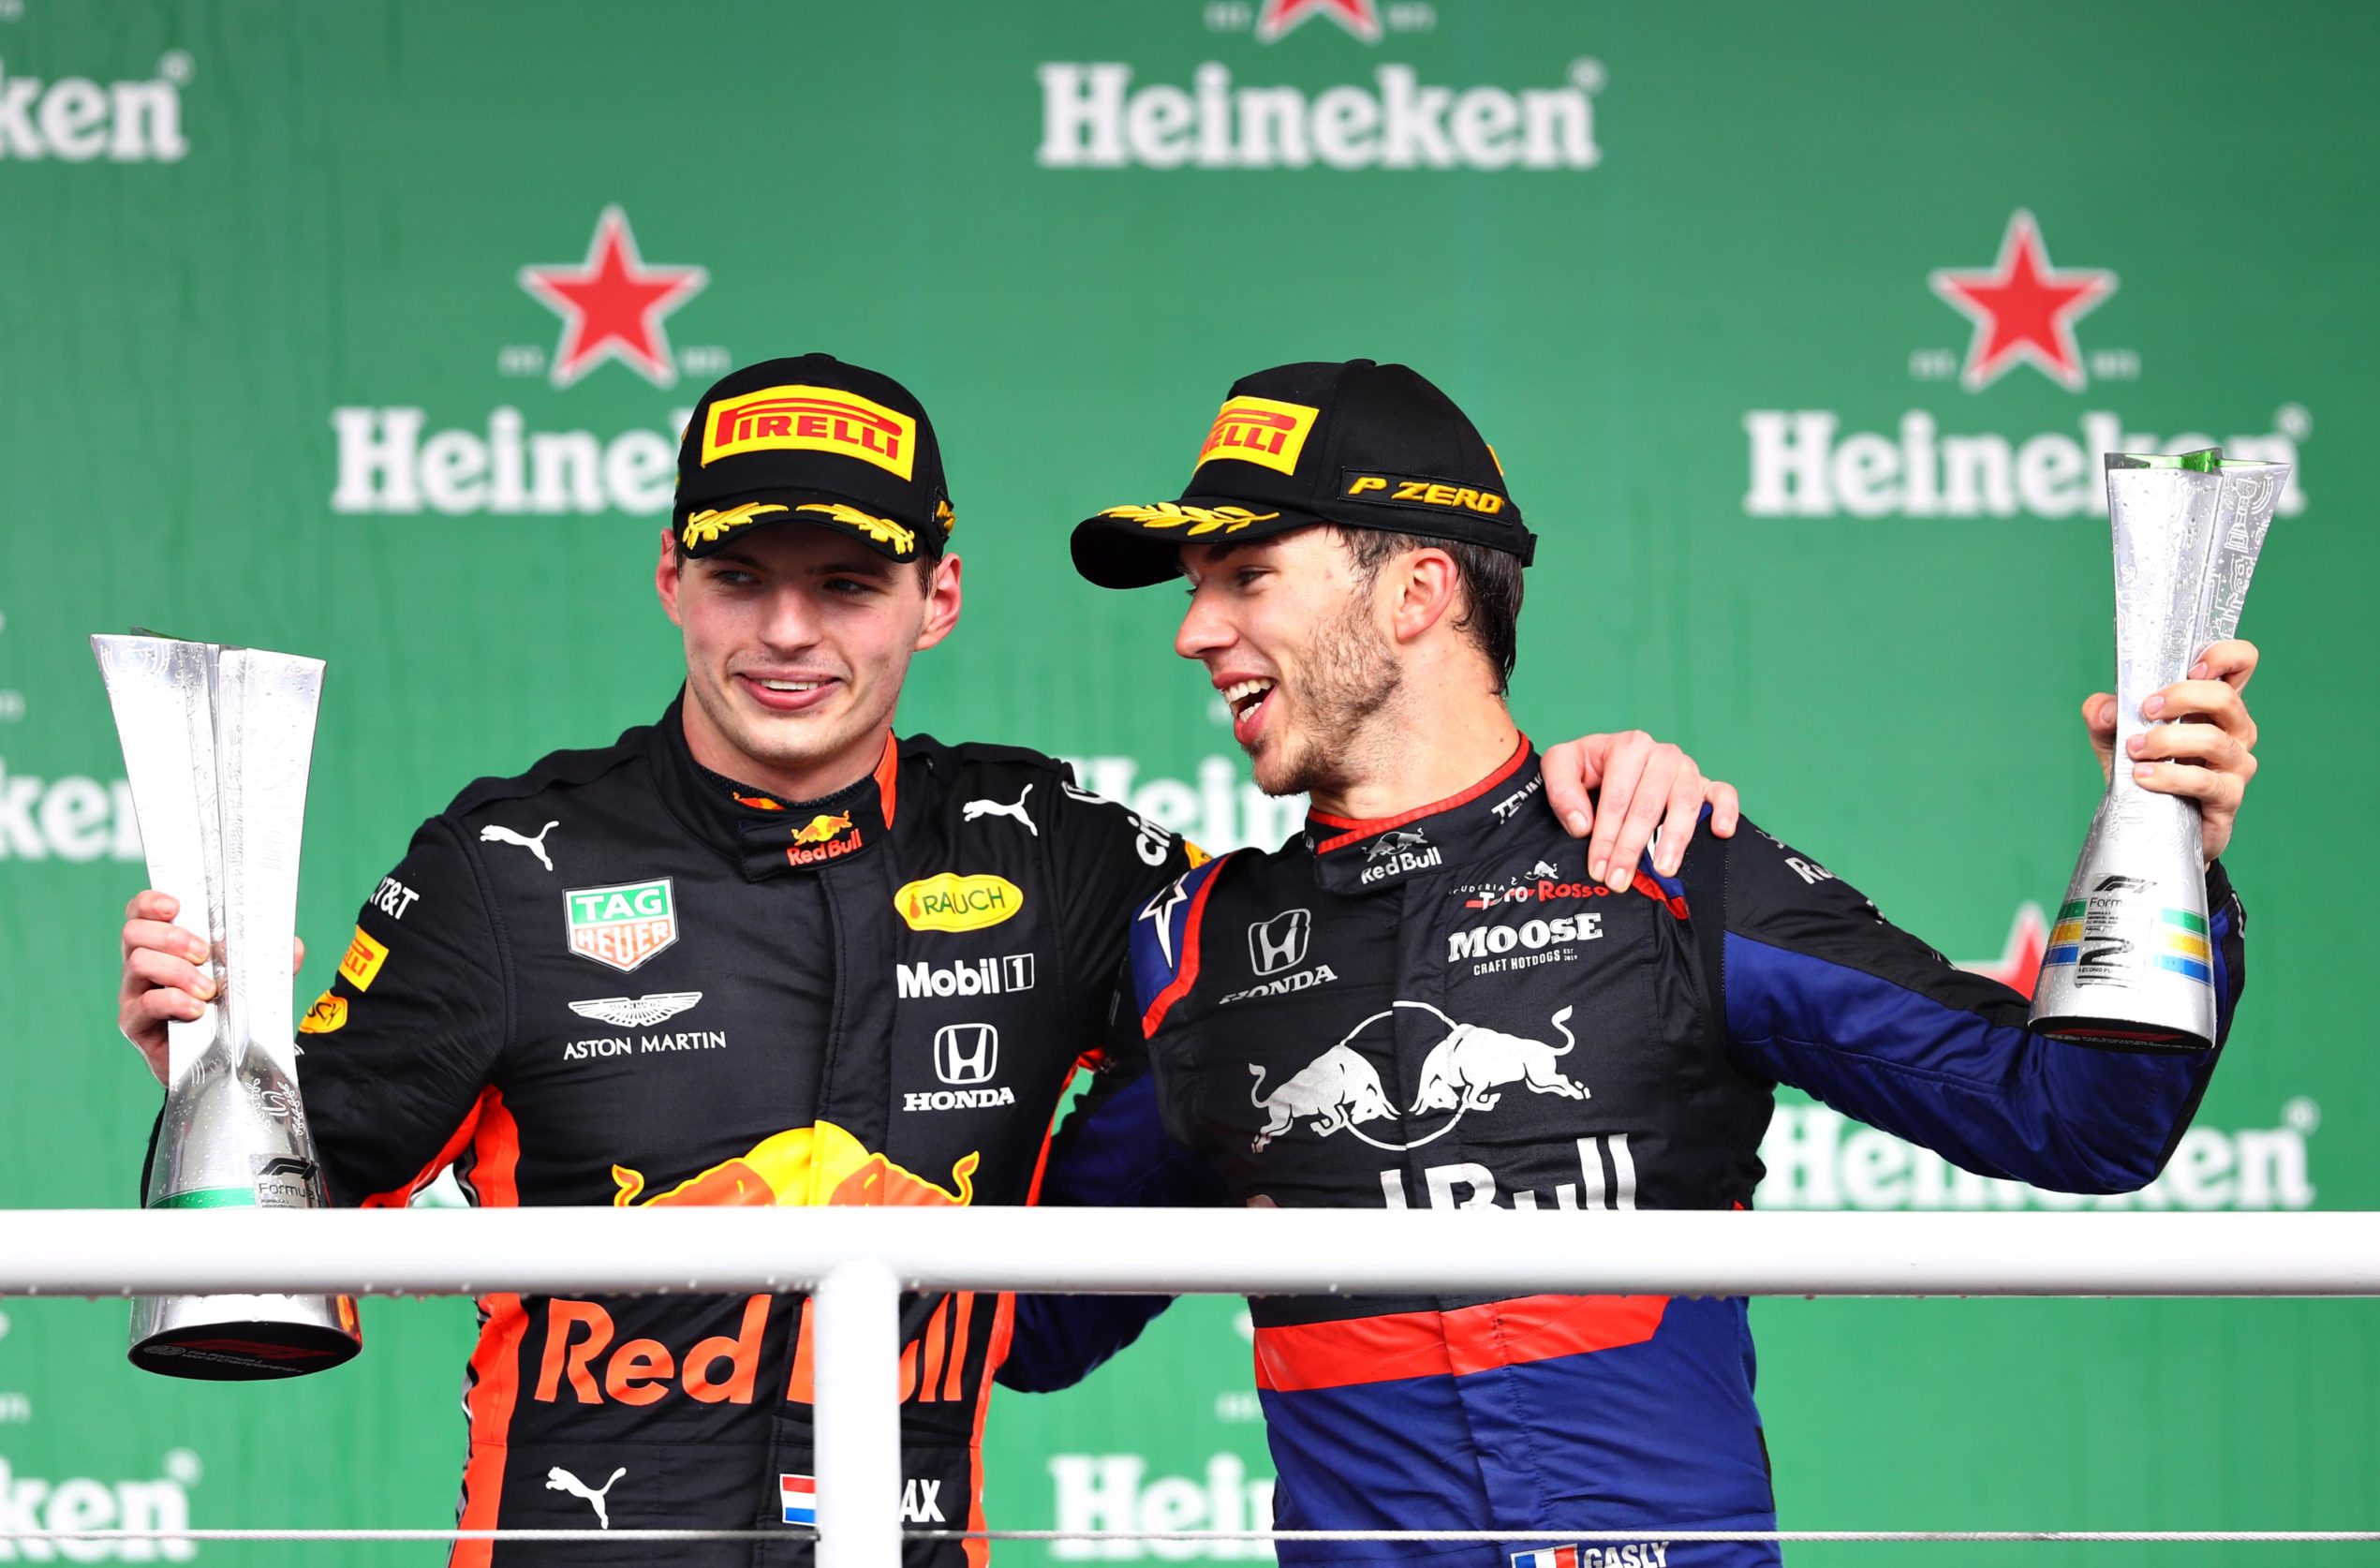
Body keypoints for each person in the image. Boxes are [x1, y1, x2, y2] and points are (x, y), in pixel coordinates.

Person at [114, 353, 1737, 1567]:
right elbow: (267, 1252)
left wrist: (1555, 809)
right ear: (671, 578)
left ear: (938, 596)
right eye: (741, 577)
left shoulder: (1060, 853)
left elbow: (1340, 926)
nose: (789, 633)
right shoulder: (506, 862)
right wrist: (207, 1079)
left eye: (850, 583)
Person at [1060, 358, 2260, 1567]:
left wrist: (2161, 845)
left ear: (1417, 588)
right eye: (1198, 587)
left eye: (1247, 576)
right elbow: (1029, 1318)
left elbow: (2079, 1117)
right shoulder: (1195, 946)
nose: (1193, 631)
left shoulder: (1662, 861)